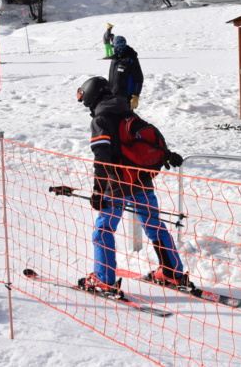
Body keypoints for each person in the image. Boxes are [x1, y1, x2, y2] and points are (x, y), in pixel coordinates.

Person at [76, 76, 186, 298]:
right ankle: (172, 272)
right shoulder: (127, 111)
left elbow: (102, 159)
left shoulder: (101, 120)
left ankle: (104, 279)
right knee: (154, 224)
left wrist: (99, 190)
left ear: (91, 98)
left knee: (103, 230)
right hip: (141, 180)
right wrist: (165, 155)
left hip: (116, 184)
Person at [108, 35, 143, 110]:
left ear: (118, 47)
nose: (113, 49)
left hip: (126, 98)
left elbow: (138, 79)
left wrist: (135, 96)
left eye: (114, 46)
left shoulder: (130, 60)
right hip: (113, 96)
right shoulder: (115, 59)